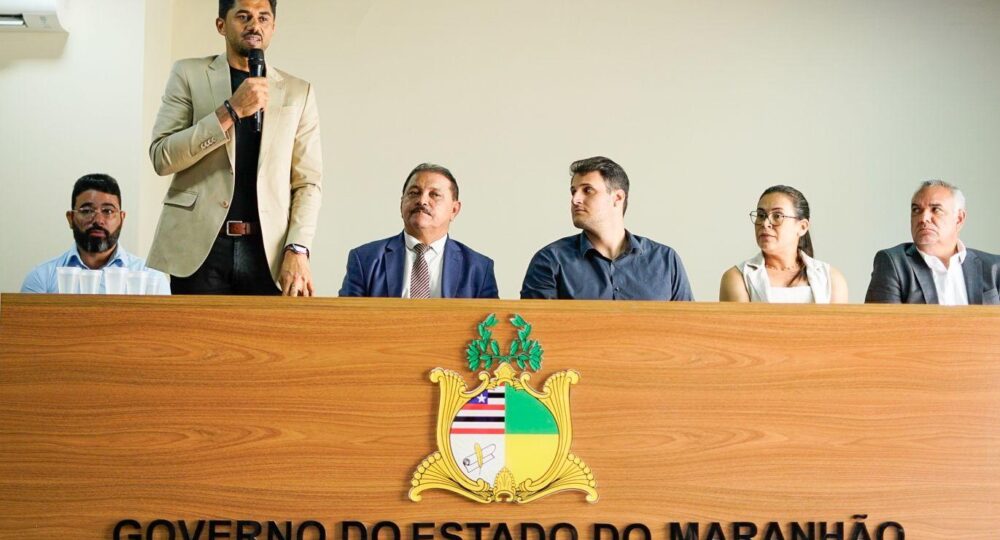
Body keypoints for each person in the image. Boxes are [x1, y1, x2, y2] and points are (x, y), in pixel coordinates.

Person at [148, 0, 322, 296]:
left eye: (263, 18)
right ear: (221, 25)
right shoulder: (188, 74)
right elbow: (162, 157)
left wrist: (298, 247)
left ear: (273, 27)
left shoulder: (298, 92)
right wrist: (230, 111)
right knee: (195, 329)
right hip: (200, 248)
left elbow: (308, 182)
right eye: (243, 16)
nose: (254, 25)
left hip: (268, 251)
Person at [520, 156, 692, 300]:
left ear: (617, 198)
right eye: (573, 191)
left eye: (587, 190)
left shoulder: (666, 260)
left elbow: (687, 324)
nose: (575, 199)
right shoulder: (550, 260)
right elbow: (536, 328)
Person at [339, 163, 498, 298]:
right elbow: (345, 318)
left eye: (434, 195)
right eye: (414, 193)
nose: (422, 201)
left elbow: (490, 322)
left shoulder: (479, 268)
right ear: (401, 204)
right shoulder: (365, 259)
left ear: (454, 210)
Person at [21, 174, 170, 294]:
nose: (98, 220)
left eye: (108, 211)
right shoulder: (42, 278)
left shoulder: (150, 277)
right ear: (70, 218)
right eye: (87, 211)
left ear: (122, 218)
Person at [865, 180, 1000, 305]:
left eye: (936, 210)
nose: (923, 218)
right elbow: (882, 322)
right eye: (916, 210)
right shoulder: (894, 263)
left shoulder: (993, 267)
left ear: (959, 219)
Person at [720, 185, 848, 303]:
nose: (765, 223)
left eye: (777, 216)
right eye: (761, 215)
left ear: (802, 227)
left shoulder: (832, 279)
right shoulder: (738, 278)